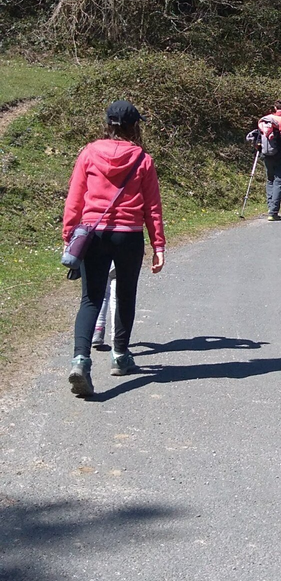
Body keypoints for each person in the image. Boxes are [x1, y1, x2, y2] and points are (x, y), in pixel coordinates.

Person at [62, 100, 165, 398]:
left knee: (90, 300)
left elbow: (75, 198)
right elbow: (153, 208)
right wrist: (158, 244)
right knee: (125, 294)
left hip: (93, 235)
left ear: (108, 124)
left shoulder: (89, 153)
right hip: (129, 236)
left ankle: (80, 361)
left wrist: (70, 235)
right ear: (135, 126)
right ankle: (120, 356)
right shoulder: (143, 159)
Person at [246, 99, 281, 221]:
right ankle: (273, 212)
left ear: (275, 108)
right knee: (279, 181)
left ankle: (270, 207)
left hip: (267, 154)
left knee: (270, 179)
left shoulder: (266, 119)